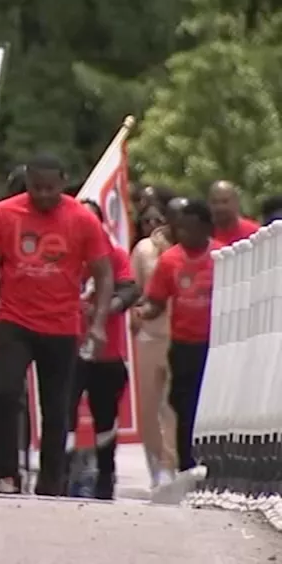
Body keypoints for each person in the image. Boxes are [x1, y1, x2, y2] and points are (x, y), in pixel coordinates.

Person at [0, 153, 113, 495]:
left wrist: (97, 322)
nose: (44, 195)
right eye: (37, 188)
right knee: (4, 394)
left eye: (51, 188)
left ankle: (51, 479)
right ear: (27, 182)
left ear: (64, 182)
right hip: (13, 320)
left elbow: (105, 273)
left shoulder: (82, 219)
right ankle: (6, 473)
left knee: (57, 406)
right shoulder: (4, 214)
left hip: (61, 326)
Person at [133, 198, 217, 476]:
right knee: (183, 405)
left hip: (215, 345)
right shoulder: (170, 260)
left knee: (211, 405)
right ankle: (185, 465)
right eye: (181, 230)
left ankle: (213, 461)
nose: (185, 236)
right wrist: (144, 311)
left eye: (192, 229)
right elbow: (157, 299)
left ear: (206, 228)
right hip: (183, 345)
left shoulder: (222, 257)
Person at [70, 200, 141, 499]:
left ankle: (105, 476)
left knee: (105, 417)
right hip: (67, 347)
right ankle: (63, 473)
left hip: (106, 351)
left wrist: (107, 307)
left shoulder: (115, 254)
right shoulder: (62, 251)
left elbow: (130, 289)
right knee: (62, 413)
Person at [130, 194, 182, 489]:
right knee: (149, 406)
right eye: (148, 220)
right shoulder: (144, 249)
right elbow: (134, 288)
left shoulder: (189, 250)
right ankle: (155, 462)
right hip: (149, 335)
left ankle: (170, 463)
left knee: (173, 405)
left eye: (158, 219)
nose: (155, 224)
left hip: (180, 336)